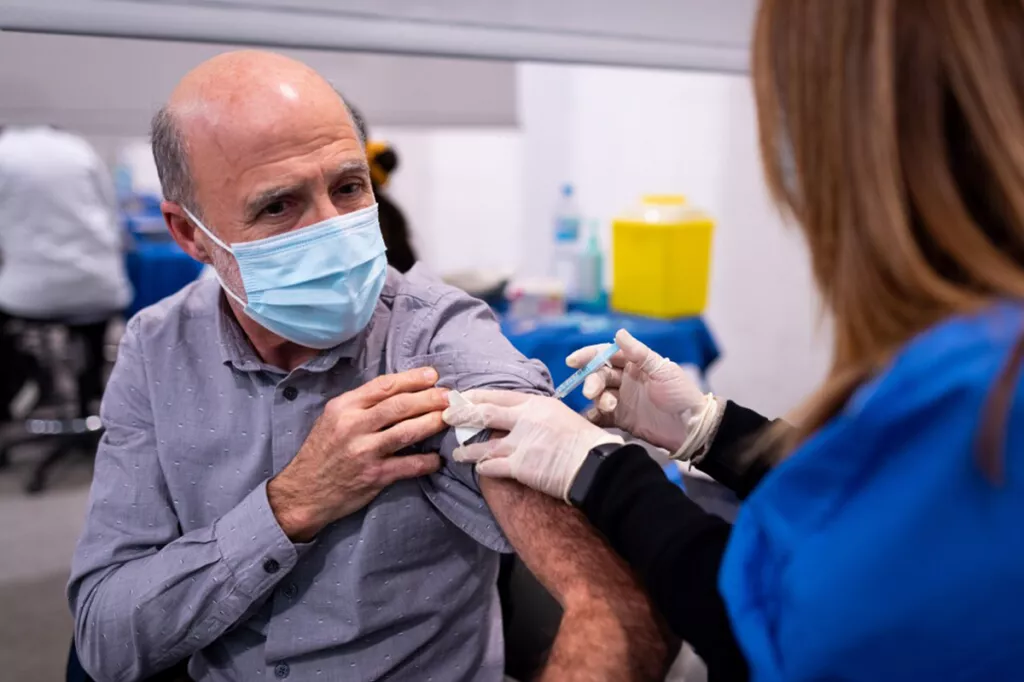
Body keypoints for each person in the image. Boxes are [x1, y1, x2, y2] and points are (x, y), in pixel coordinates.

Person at [443, 1, 1024, 680]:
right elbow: (878, 522)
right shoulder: (971, 352)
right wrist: (713, 431)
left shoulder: (987, 394)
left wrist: (604, 470)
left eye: (785, 97)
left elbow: (780, 630)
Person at [67, 51, 672, 682]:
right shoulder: (159, 346)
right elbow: (106, 635)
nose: (335, 230)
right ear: (189, 235)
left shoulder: (436, 337)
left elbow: (613, 597)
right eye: (279, 206)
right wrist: (288, 507)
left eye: (349, 187)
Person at [0, 125, 132, 419]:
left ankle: (9, 404)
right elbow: (112, 216)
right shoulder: (78, 148)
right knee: (91, 326)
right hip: (100, 287)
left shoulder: (4, 155)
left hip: (29, 296)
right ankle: (90, 402)